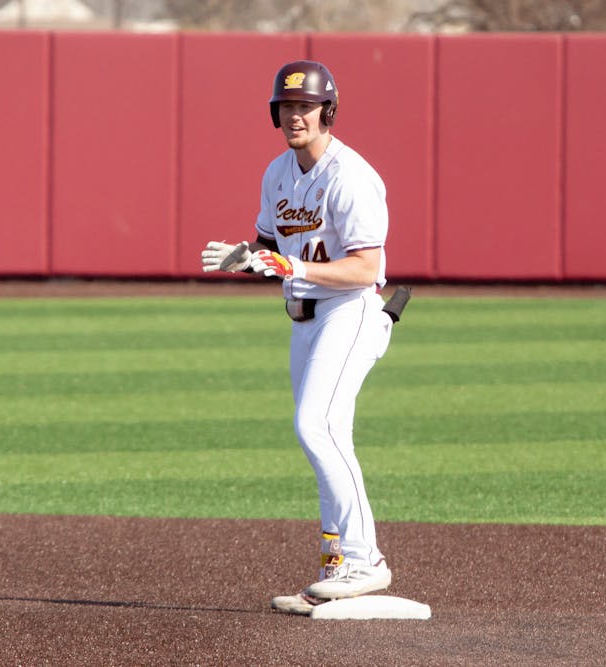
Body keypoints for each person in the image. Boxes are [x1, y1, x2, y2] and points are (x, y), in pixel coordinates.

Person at [201, 60, 409, 615]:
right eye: (287, 106)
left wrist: (288, 265)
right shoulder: (277, 173)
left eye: (306, 106)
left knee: (316, 426)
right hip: (304, 318)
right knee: (325, 438)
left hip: (349, 312)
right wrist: (247, 258)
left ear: (327, 112)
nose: (296, 116)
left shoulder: (351, 176)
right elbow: (270, 249)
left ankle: (367, 561)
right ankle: (335, 566)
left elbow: (365, 269)